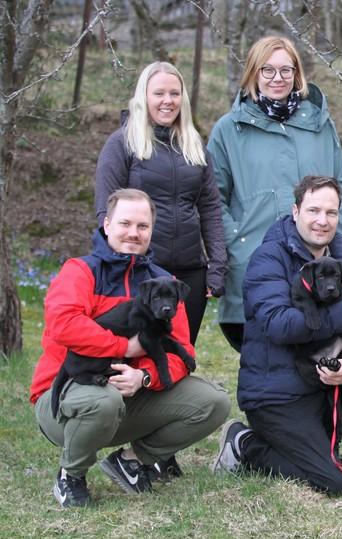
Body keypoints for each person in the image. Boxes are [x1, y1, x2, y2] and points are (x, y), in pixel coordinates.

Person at [212, 175, 342, 497]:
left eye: (331, 212)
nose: (322, 221)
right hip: (277, 396)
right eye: (313, 210)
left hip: (325, 385)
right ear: (296, 211)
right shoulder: (269, 258)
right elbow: (279, 325)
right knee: (334, 483)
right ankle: (246, 443)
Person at [31, 189, 231, 508]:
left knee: (214, 402)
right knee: (103, 401)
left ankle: (131, 461)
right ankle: (71, 475)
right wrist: (124, 346)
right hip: (66, 392)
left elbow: (181, 351)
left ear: (152, 230)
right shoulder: (80, 271)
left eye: (142, 226)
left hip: (130, 397)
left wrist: (145, 377)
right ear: (107, 224)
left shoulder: (164, 283)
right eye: (125, 223)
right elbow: (64, 325)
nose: (133, 233)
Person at [208, 36, 342, 352]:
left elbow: (341, 187)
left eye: (286, 70)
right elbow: (212, 199)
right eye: (268, 70)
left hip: (319, 268)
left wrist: (341, 242)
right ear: (253, 73)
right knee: (265, 365)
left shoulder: (320, 126)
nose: (278, 78)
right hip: (255, 265)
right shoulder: (228, 130)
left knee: (322, 360)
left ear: (297, 74)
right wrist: (237, 243)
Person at [94, 61, 226, 347]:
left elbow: (211, 210)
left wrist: (217, 266)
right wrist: (118, 267)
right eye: (159, 93)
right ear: (144, 97)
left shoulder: (195, 145)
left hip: (189, 273)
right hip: (142, 272)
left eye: (174, 93)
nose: (168, 101)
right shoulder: (121, 144)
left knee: (180, 352)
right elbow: (105, 212)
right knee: (137, 351)